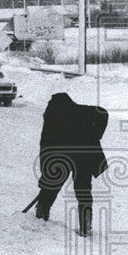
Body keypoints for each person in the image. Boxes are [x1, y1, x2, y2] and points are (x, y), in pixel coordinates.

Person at [33, 92, 108, 237]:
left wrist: (46, 172)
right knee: (84, 191)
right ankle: (86, 227)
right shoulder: (82, 110)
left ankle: (41, 216)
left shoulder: (51, 119)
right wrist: (96, 133)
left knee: (50, 187)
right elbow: (103, 113)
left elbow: (45, 146)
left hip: (61, 158)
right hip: (84, 157)